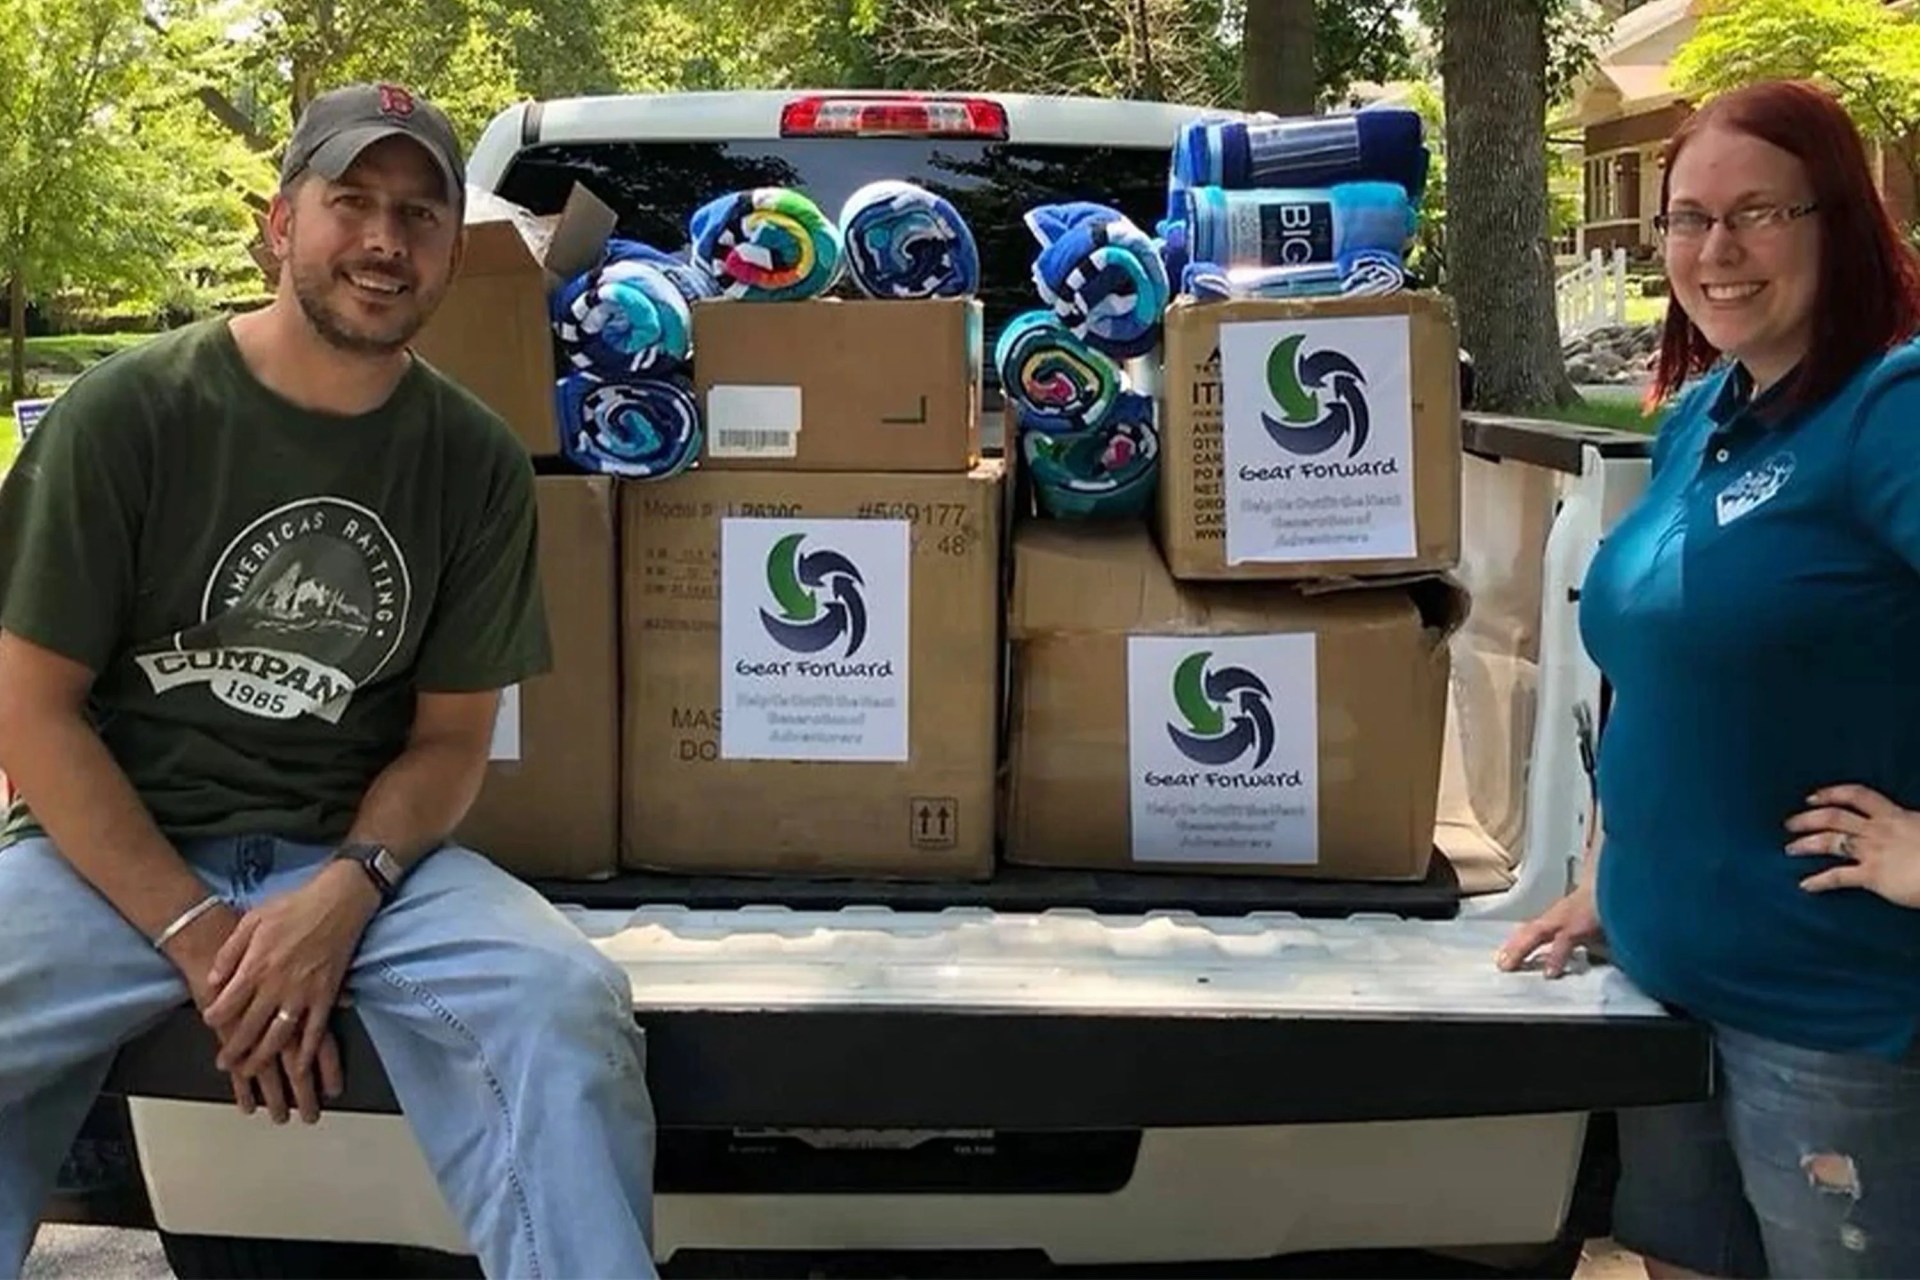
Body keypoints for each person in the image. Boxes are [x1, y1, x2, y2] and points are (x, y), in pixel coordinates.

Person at [0, 83, 657, 1279]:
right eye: (350, 200)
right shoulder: (125, 417)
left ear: (455, 246)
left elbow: (450, 743)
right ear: (280, 221)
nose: (383, 240)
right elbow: (30, 712)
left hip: (355, 861)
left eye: (419, 213)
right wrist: (207, 939)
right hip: (112, 854)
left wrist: (344, 894)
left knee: (566, 1008)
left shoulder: (472, 460)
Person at [1496, 78, 1920, 1279]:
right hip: (1665, 989)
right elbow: (1653, 663)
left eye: (1758, 214)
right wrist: (1605, 878)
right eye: (1686, 218)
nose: (1715, 251)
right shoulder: (1700, 417)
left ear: (1836, 221)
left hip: (1830, 1021)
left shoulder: (1889, 409)